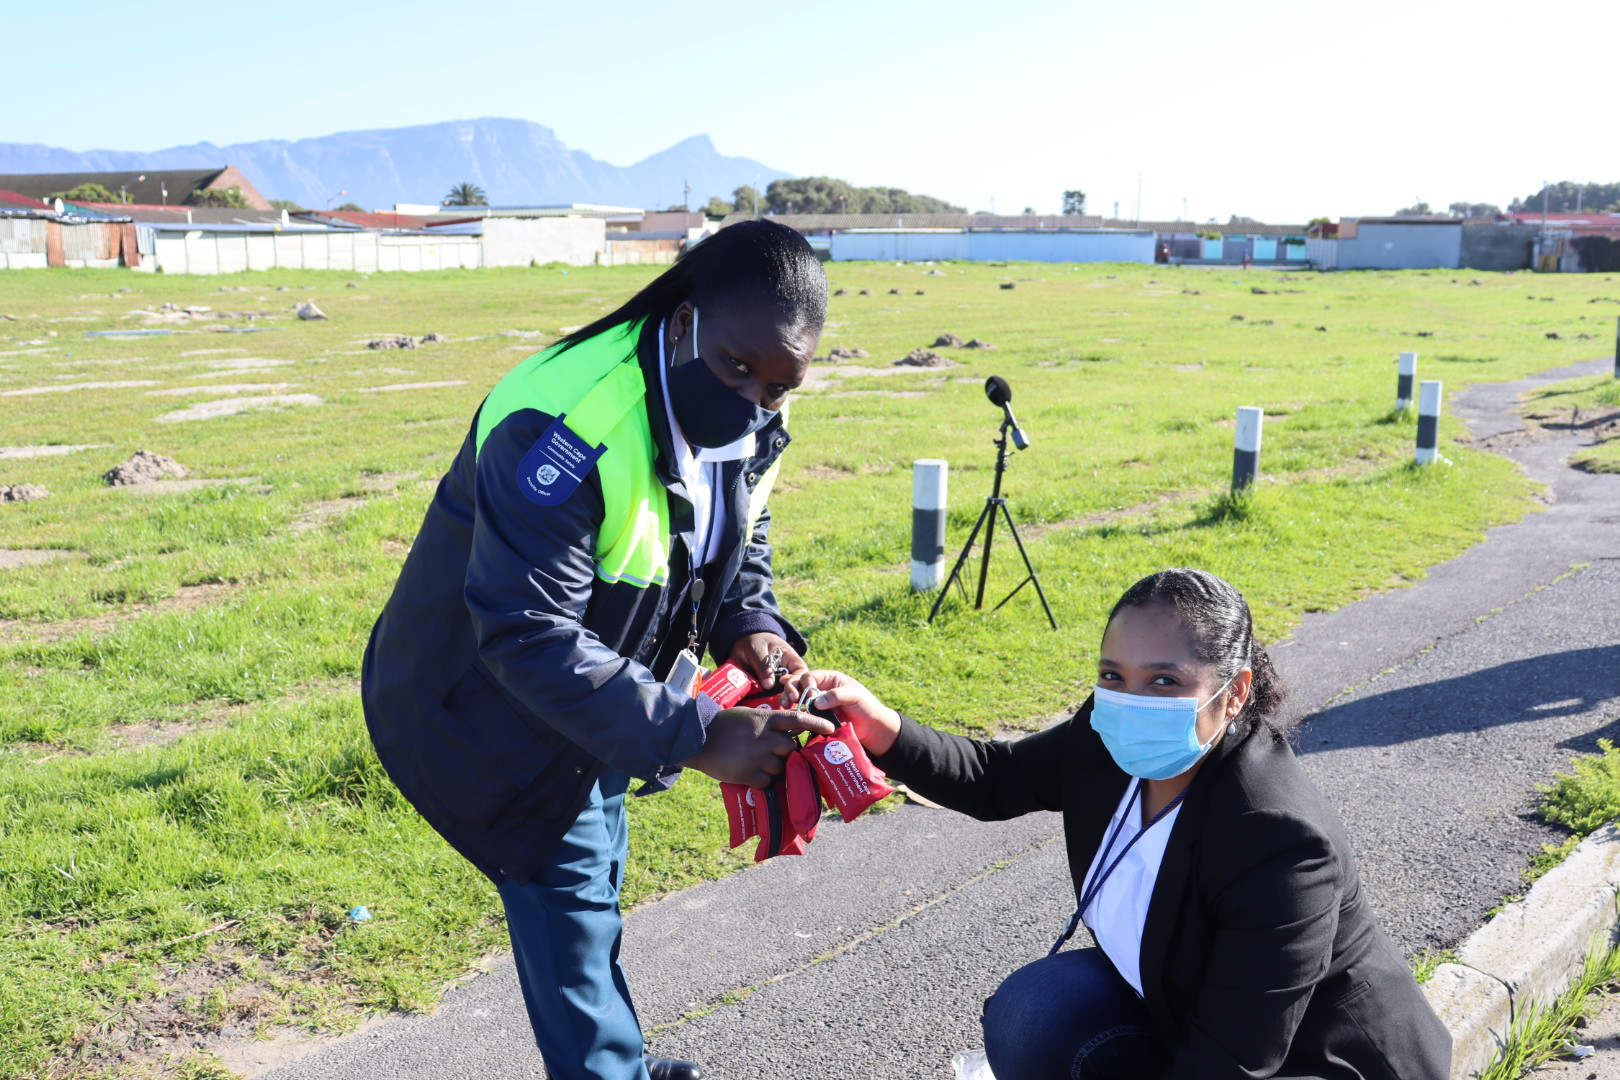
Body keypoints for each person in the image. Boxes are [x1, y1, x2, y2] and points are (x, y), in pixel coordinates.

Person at [361, 219, 837, 1080]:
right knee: (570, 898)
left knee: (596, 872)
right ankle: (608, 1067)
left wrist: (754, 628)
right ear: (684, 318)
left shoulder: (757, 405)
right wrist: (693, 735)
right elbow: (524, 631)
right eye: (738, 368)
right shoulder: (565, 419)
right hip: (489, 704)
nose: (754, 400)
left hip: (600, 693)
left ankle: (620, 1061)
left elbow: (738, 539)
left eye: (779, 384)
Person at [803, 568, 1452, 1079]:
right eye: (1113, 674)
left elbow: (1231, 1065)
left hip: (1315, 1063)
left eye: (1165, 680)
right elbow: (995, 777)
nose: (1129, 700)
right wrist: (878, 724)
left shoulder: (1276, 839)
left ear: (1232, 693)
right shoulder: (1106, 732)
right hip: (1188, 1010)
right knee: (1034, 1012)